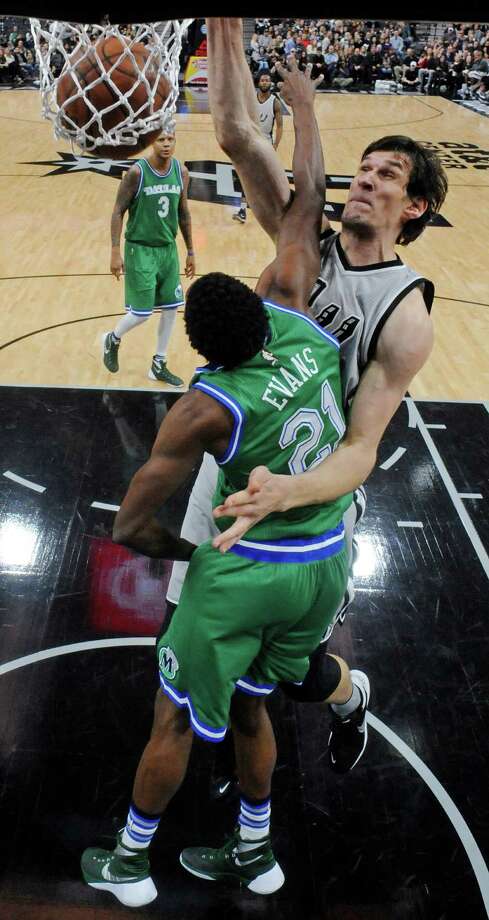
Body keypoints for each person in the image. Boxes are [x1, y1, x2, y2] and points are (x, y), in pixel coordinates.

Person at [81, 61, 375, 907]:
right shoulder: (299, 311)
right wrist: (308, 110)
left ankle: (130, 865)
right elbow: (307, 201)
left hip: (245, 571)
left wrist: (190, 553)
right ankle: (255, 853)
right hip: (324, 562)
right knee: (254, 709)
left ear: (205, 350)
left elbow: (133, 528)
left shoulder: (204, 407)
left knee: (173, 716)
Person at [165, 17, 448, 794]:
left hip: (309, 498)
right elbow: (233, 132)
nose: (365, 178)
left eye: (387, 175)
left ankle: (349, 698)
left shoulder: (404, 314)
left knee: (286, 675)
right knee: (197, 629)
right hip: (234, 474)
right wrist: (224, 31)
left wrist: (288, 490)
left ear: (414, 208)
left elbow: (359, 449)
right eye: (362, 167)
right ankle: (219, 746)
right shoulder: (302, 240)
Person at [102, 130, 195, 387]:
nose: (166, 144)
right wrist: (114, 250)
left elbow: (184, 213)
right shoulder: (137, 173)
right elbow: (118, 211)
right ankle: (113, 338)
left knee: (170, 308)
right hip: (139, 249)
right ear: (151, 142)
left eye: (170, 139)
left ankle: (159, 363)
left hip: (168, 249)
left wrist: (190, 251)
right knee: (142, 313)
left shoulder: (181, 171)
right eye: (160, 140)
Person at [233, 72, 284, 224]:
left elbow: (280, 126)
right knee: (245, 177)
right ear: (258, 83)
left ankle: (276, 210)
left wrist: (275, 145)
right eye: (262, 80)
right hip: (251, 143)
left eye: (267, 80)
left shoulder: (275, 102)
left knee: (267, 179)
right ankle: (242, 210)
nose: (264, 82)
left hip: (266, 143)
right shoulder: (250, 100)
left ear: (271, 83)